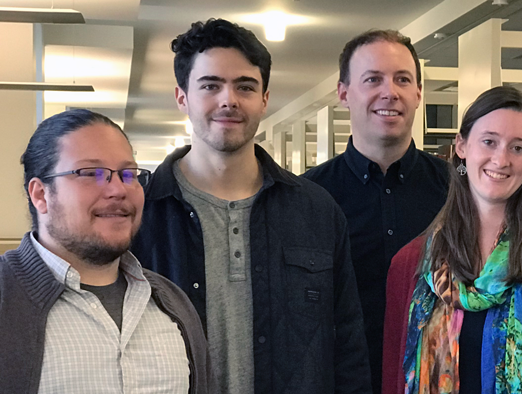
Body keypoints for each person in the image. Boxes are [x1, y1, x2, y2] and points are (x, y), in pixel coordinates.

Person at [131, 19, 370, 393]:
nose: (229, 99)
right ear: (182, 97)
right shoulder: (141, 213)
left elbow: (349, 345)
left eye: (245, 86)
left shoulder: (315, 210)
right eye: (211, 86)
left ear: (264, 99)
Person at [382, 86, 522, 394]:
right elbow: (392, 379)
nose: (501, 159)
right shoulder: (410, 266)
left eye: (518, 148)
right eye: (489, 141)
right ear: (461, 146)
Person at [0, 109, 208, 393]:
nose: (118, 189)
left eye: (128, 174)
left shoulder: (172, 303)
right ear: (41, 194)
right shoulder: (6, 299)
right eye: (90, 173)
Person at [302, 29, 449, 393]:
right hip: (341, 382)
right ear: (343, 93)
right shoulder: (307, 196)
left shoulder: (458, 190)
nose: (390, 92)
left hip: (440, 378)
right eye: (373, 79)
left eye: (402, 79)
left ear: (418, 93)